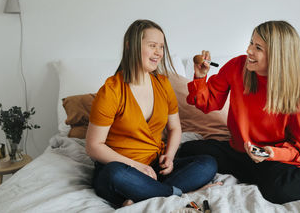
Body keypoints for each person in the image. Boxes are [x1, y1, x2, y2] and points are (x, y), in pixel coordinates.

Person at [178, 20, 300, 204]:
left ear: (277, 56)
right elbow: (208, 103)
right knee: (187, 150)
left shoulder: (295, 96)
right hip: (240, 151)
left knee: (277, 190)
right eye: (251, 42)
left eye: (258, 47)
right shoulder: (237, 66)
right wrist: (200, 78)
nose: (249, 50)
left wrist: (271, 153)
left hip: (273, 158)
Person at [86, 19, 218, 208]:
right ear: (131, 46)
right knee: (114, 174)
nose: (159, 52)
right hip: (123, 169)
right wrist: (137, 166)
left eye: (161, 47)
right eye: (153, 46)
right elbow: (93, 146)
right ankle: (177, 193)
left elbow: (175, 128)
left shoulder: (163, 84)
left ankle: (144, 194)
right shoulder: (111, 91)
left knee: (208, 163)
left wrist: (170, 157)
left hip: (155, 167)